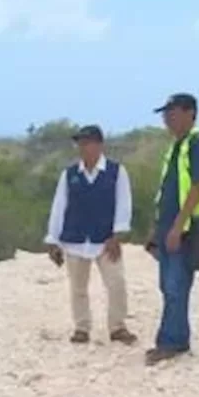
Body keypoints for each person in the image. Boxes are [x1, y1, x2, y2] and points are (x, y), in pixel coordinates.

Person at [145, 92, 199, 365]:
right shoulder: (177, 147)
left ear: (190, 112)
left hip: (187, 230)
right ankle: (175, 338)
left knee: (175, 285)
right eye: (165, 114)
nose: (166, 119)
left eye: (171, 113)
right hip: (169, 227)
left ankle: (171, 342)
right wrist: (156, 229)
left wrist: (178, 226)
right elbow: (167, 191)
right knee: (168, 285)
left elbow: (198, 186)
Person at [44, 124, 137, 346]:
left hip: (105, 239)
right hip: (75, 237)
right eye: (80, 144)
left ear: (99, 145)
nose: (83, 148)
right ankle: (81, 327)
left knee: (116, 283)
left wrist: (118, 234)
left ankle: (117, 326)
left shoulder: (116, 172)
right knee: (77, 287)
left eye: (87, 143)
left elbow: (124, 203)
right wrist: (53, 240)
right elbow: (59, 207)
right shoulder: (69, 175)